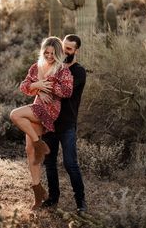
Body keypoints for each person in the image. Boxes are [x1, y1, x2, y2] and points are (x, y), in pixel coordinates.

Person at [10, 36, 73, 210]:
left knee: (15, 115)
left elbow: (67, 91)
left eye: (53, 53)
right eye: (47, 52)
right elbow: (23, 87)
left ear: (58, 53)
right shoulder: (35, 67)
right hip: (37, 107)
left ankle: (40, 144)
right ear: (42, 51)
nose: (50, 55)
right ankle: (38, 192)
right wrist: (37, 85)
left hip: (51, 109)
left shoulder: (62, 70)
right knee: (31, 152)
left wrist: (49, 87)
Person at [41, 34, 87, 213]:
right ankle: (53, 198)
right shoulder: (54, 67)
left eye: (69, 49)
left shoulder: (78, 72)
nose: (65, 51)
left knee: (70, 163)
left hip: (67, 124)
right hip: (50, 122)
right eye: (64, 47)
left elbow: (62, 92)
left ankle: (81, 202)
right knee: (49, 162)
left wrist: (45, 86)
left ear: (76, 50)